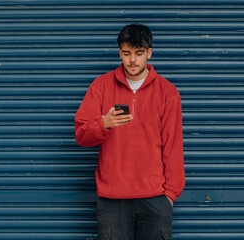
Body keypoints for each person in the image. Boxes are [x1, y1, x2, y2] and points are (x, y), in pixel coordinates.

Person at [75, 24, 185, 240]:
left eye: (139, 53)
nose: (132, 60)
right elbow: (81, 136)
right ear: (120, 53)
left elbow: (173, 146)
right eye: (126, 53)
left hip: (155, 198)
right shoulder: (101, 86)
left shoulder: (167, 92)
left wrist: (170, 196)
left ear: (149, 53)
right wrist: (104, 123)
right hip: (113, 198)